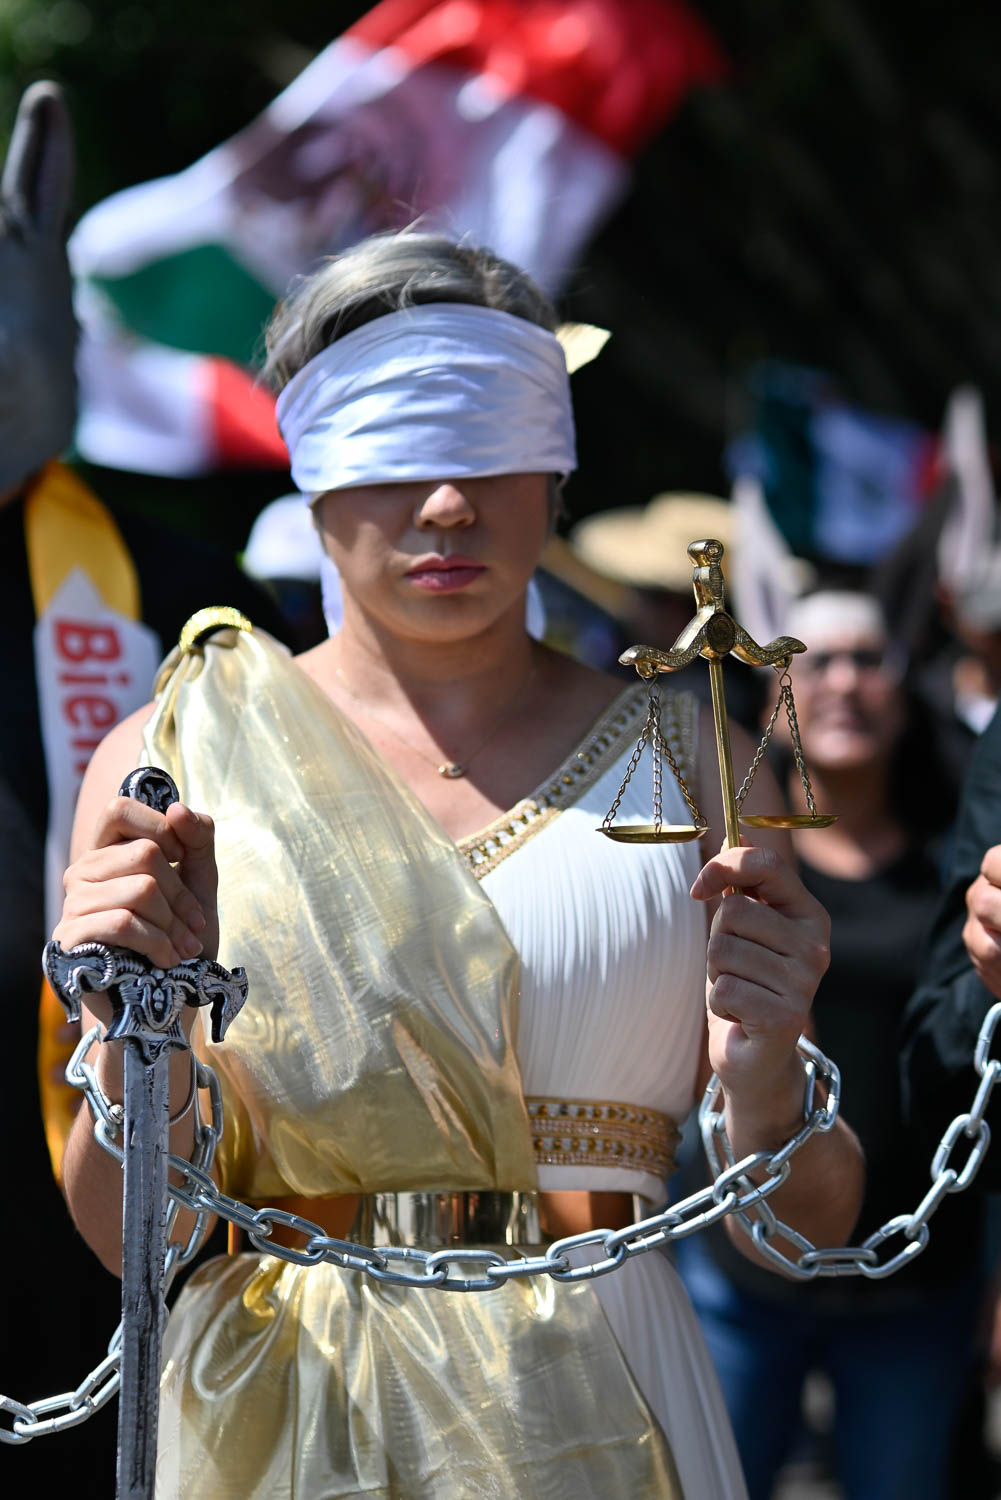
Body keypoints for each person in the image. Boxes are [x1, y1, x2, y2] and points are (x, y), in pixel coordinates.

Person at [54, 231, 863, 1499]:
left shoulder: (701, 759)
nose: (446, 504)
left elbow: (806, 1229)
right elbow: (128, 1238)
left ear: (554, 469)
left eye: (490, 448)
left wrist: (766, 1064)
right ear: (311, 474)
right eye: (396, 452)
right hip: (282, 1409)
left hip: (612, 1392)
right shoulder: (173, 760)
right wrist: (123, 1027)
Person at [673, 588, 985, 1500]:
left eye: (870, 658)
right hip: (745, 1264)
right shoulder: (734, 857)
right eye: (816, 659)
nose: (845, 681)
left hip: (921, 1267)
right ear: (775, 689)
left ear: (904, 684)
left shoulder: (956, 858)